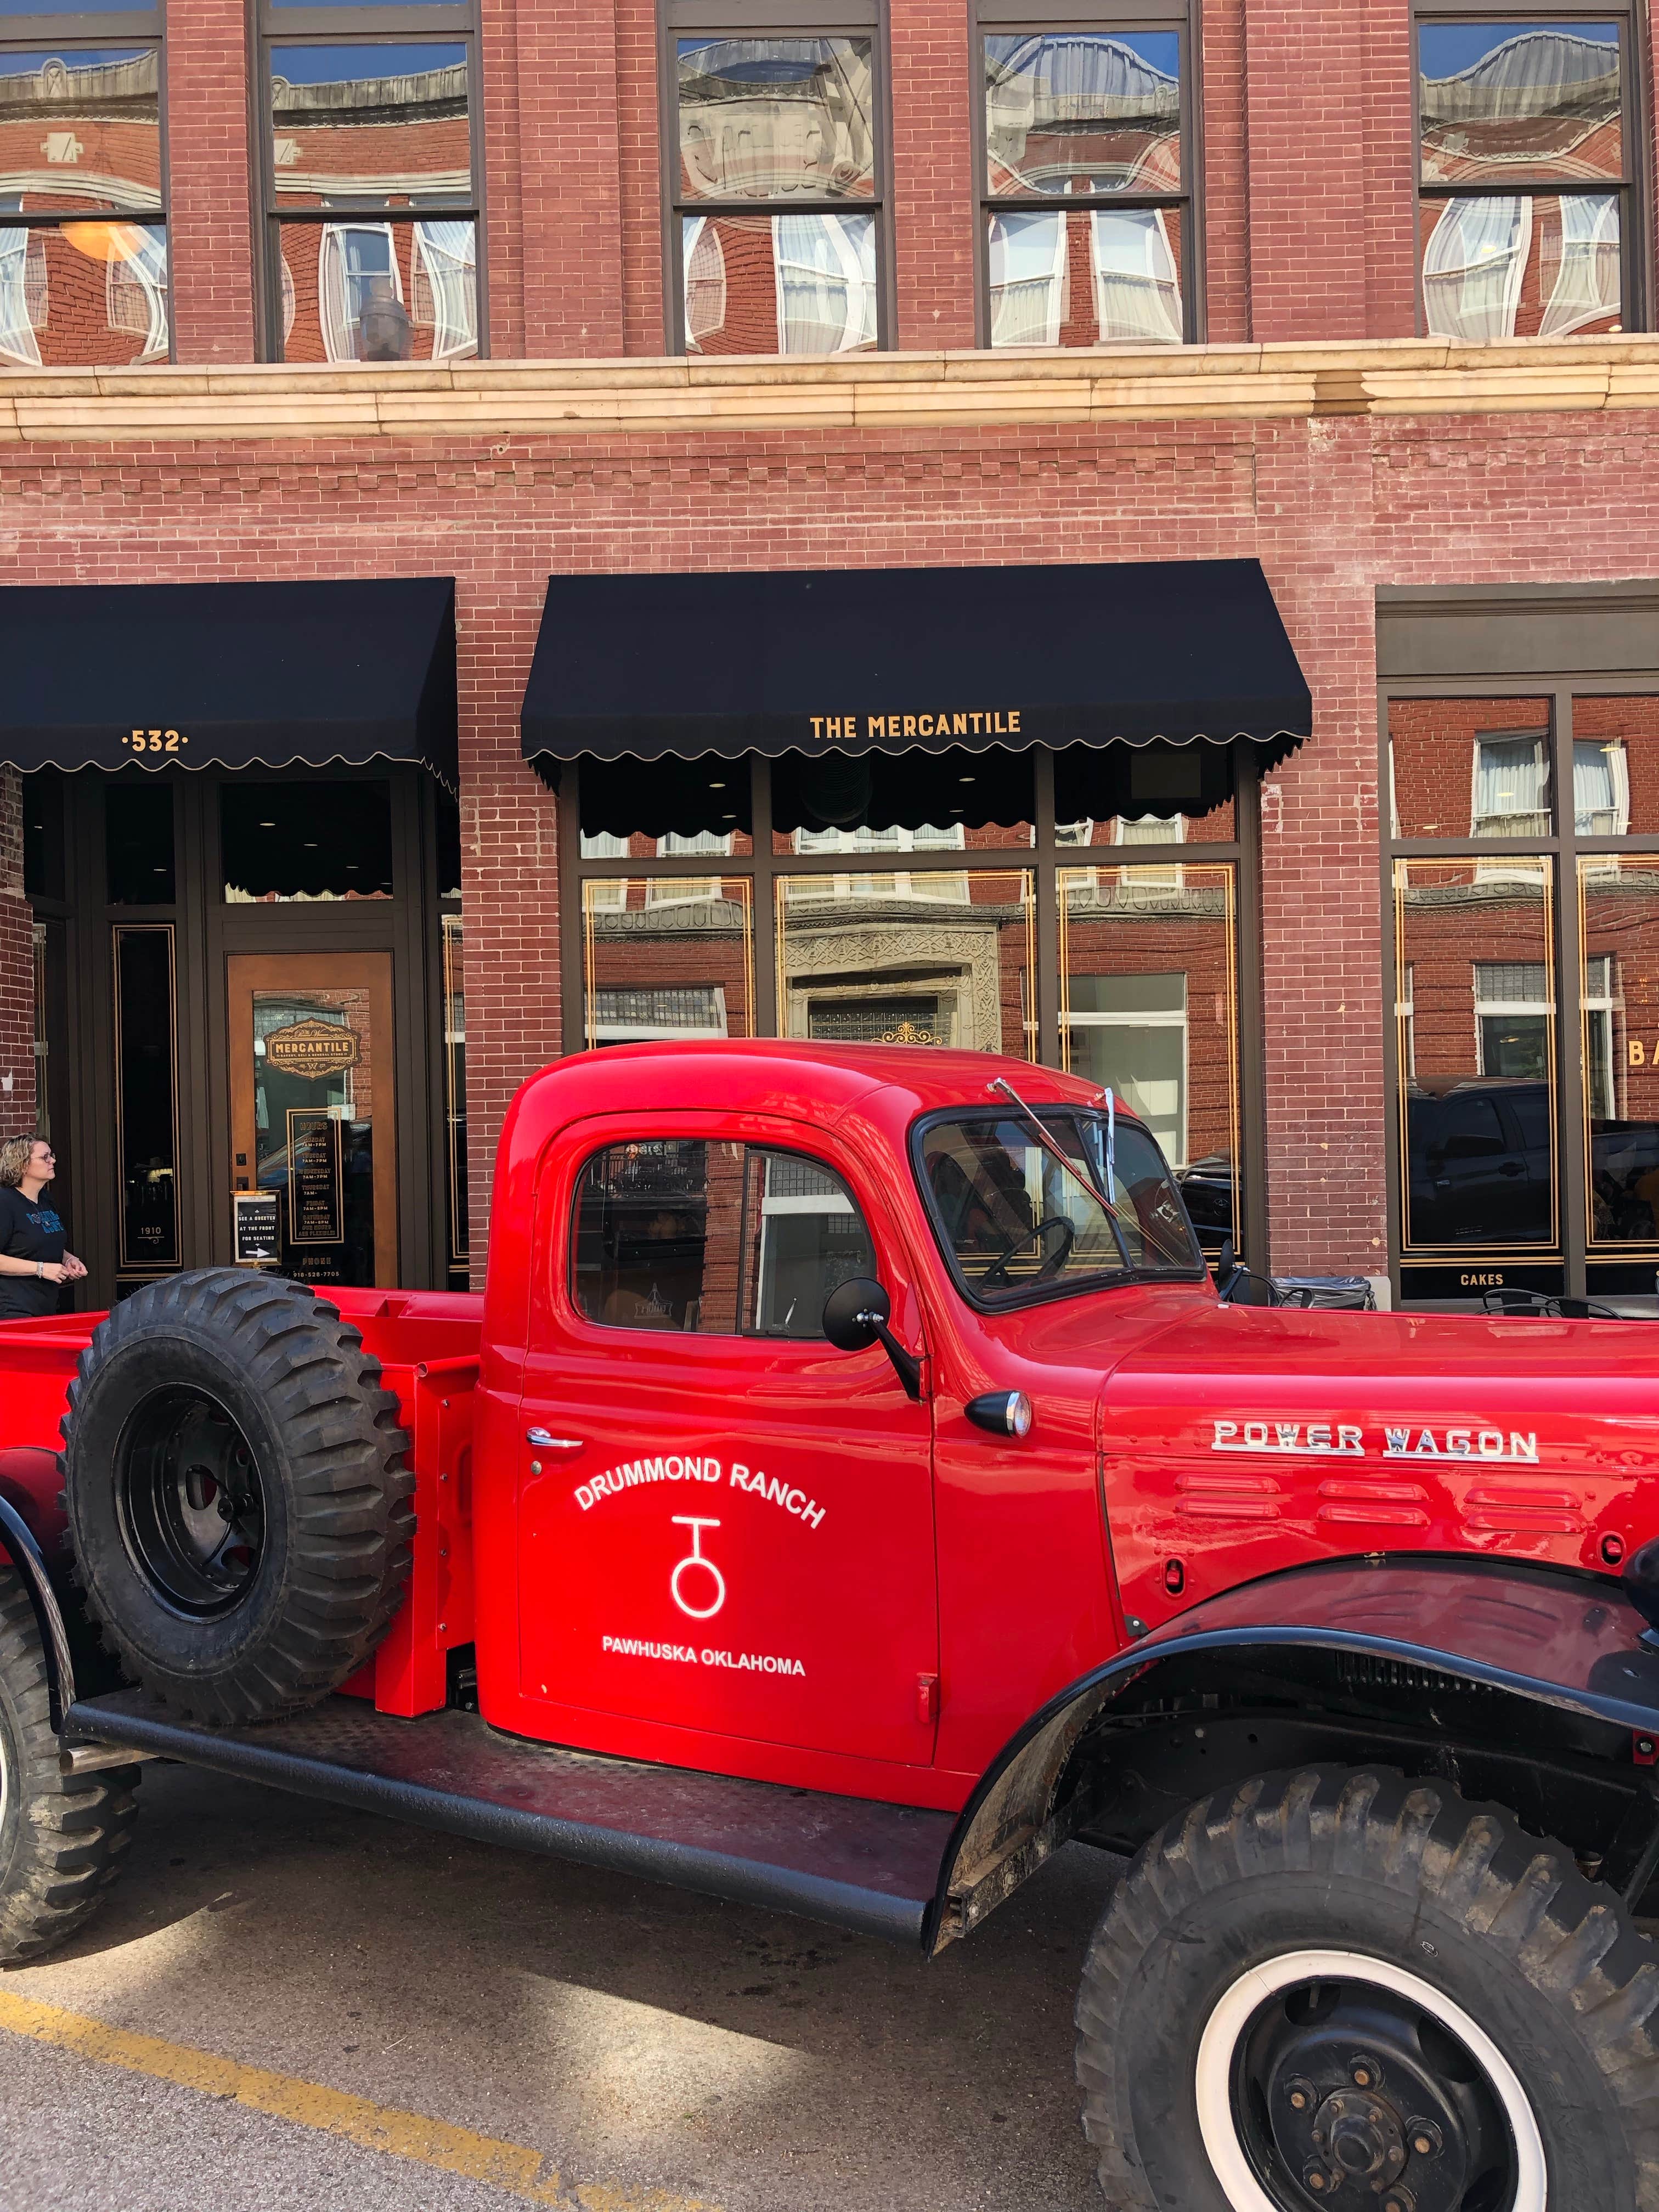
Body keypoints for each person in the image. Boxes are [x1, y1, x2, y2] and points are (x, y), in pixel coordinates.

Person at [0, 1135, 86, 1321]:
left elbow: (41, 1241)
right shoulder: (5, 1202)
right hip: (13, 1310)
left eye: (51, 1155)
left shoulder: (46, 1198)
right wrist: (40, 1268)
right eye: (45, 1157)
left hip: (46, 1306)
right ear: (22, 1165)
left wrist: (69, 1259)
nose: (53, 1160)